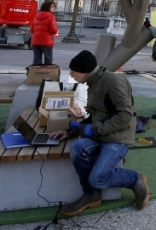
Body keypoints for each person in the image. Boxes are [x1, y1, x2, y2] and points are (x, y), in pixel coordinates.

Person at [49, 50, 148, 217]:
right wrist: (70, 132)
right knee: (77, 147)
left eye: (73, 71)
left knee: (98, 178)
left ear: (84, 70)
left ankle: (135, 179)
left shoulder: (113, 80)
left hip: (118, 138)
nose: (71, 75)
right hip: (102, 135)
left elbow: (125, 115)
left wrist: (93, 129)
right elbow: (97, 115)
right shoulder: (94, 82)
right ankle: (91, 195)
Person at [30, 1, 58, 65]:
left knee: (36, 60)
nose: (54, 8)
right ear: (47, 7)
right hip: (46, 41)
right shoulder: (51, 17)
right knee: (48, 60)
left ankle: (36, 74)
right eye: (52, 6)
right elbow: (53, 30)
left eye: (54, 6)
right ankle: (46, 74)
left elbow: (32, 30)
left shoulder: (37, 16)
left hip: (36, 41)